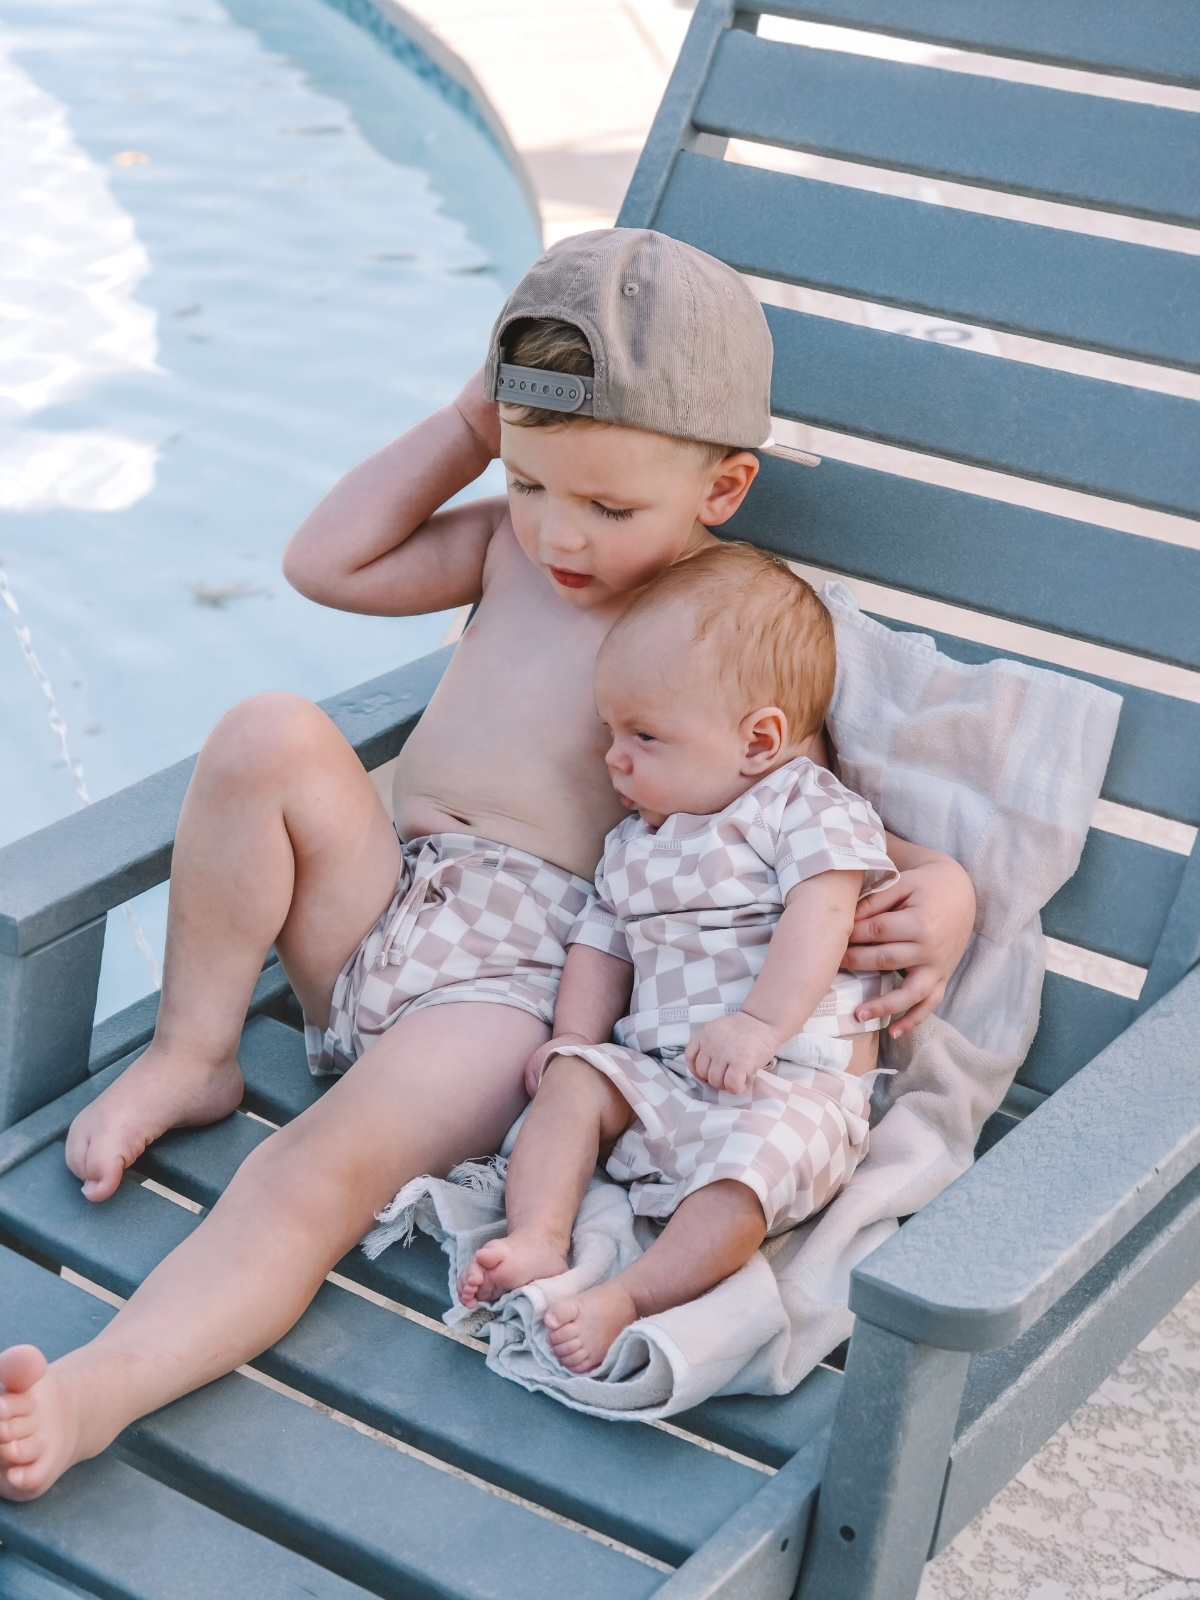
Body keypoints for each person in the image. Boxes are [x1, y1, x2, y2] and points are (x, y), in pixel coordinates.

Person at [0, 229, 974, 1500]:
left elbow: (811, 811)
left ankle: (94, 1391)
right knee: (263, 732)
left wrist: (939, 889)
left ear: (721, 489)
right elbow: (325, 562)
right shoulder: (509, 551)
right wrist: (473, 428)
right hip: (387, 903)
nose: (561, 534)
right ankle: (196, 1052)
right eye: (530, 483)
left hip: (513, 987)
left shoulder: (725, 625)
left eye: (608, 506)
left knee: (309, 1172)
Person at [460, 544, 898, 1370]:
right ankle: (537, 1237)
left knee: (743, 1187)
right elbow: (601, 942)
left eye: (644, 735)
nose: (613, 758)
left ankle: (630, 1293)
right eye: (610, 731)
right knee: (574, 1081)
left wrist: (759, 1024)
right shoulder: (633, 844)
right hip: (661, 1078)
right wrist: (575, 1038)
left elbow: (824, 911)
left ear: (760, 739)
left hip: (788, 1082)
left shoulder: (802, 807)